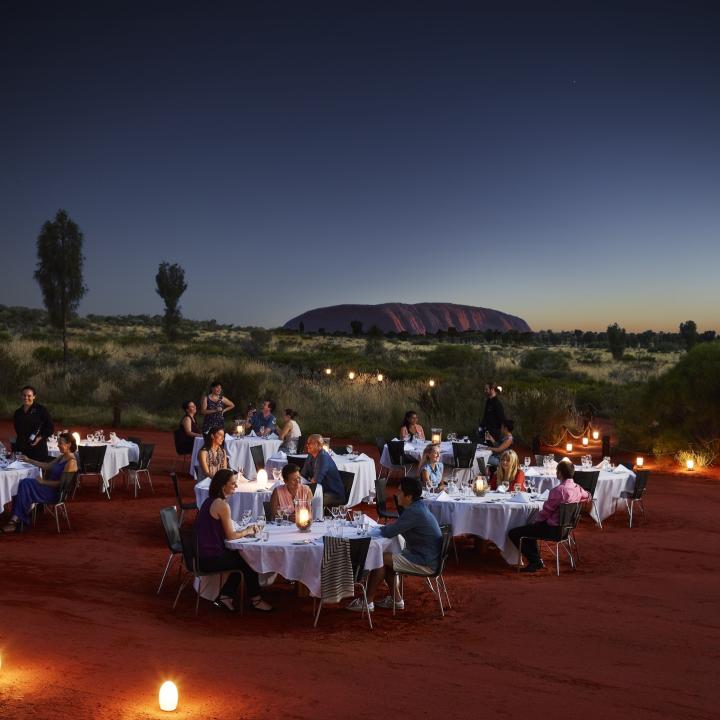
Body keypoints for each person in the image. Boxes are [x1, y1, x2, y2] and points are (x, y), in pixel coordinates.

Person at [348, 476, 441, 612]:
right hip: (428, 556)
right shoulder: (418, 507)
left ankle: (367, 602)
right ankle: (396, 600)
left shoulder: (414, 512)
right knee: (389, 557)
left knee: (380, 558)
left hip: (426, 562)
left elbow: (389, 532)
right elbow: (395, 528)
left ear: (408, 496)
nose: (396, 495)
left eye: (399, 492)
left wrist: (377, 528)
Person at [195, 469, 272, 612]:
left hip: (200, 553)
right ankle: (256, 600)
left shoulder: (209, 501)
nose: (236, 486)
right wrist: (248, 531)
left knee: (243, 558)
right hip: (210, 558)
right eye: (233, 484)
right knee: (250, 561)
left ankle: (226, 595)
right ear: (222, 486)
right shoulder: (222, 505)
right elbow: (231, 536)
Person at [508, 459, 590, 573]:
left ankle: (535, 561)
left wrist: (535, 520)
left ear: (559, 473)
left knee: (515, 533)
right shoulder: (578, 488)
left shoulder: (558, 490)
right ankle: (536, 561)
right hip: (567, 529)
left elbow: (546, 512)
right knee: (532, 529)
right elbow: (588, 496)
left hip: (552, 530)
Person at [2, 431, 78, 532]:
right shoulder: (62, 456)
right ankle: (17, 519)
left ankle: (15, 521)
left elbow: (62, 484)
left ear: (68, 444)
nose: (58, 445)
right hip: (47, 488)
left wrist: (43, 482)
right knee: (24, 483)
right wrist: (29, 460)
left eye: (60, 443)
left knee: (25, 484)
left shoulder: (71, 462)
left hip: (54, 494)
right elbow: (47, 466)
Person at [13, 386, 54, 462]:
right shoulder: (18, 412)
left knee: (37, 473)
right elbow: (17, 430)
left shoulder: (41, 410)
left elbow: (50, 428)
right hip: (22, 450)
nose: (26, 398)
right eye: (24, 395)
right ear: (21, 396)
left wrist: (39, 438)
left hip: (37, 450)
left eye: (29, 396)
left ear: (34, 397)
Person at [303, 434, 344, 506]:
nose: (307, 445)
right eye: (307, 443)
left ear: (319, 445)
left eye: (310, 443)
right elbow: (303, 475)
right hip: (321, 490)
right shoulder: (311, 455)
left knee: (306, 499)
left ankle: (314, 516)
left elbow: (316, 481)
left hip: (332, 493)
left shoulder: (323, 457)